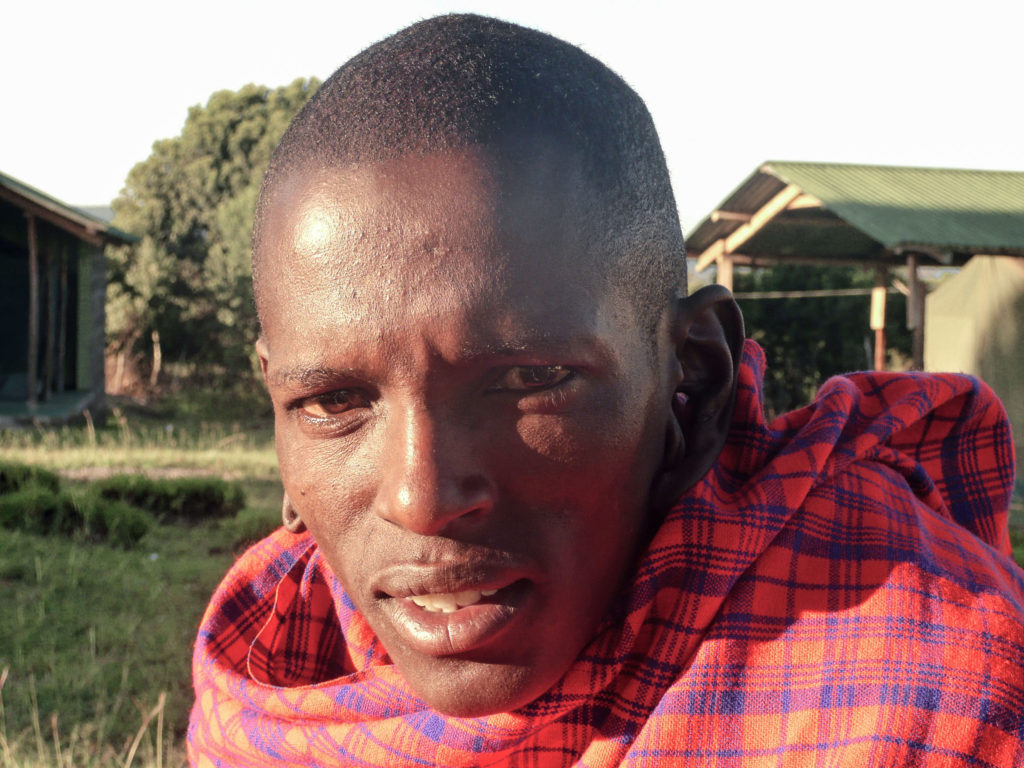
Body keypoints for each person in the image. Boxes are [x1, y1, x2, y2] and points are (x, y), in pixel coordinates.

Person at [188, 14, 1024, 767]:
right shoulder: (275, 671)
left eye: (528, 379)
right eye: (333, 403)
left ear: (691, 378)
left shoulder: (929, 700)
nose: (421, 498)